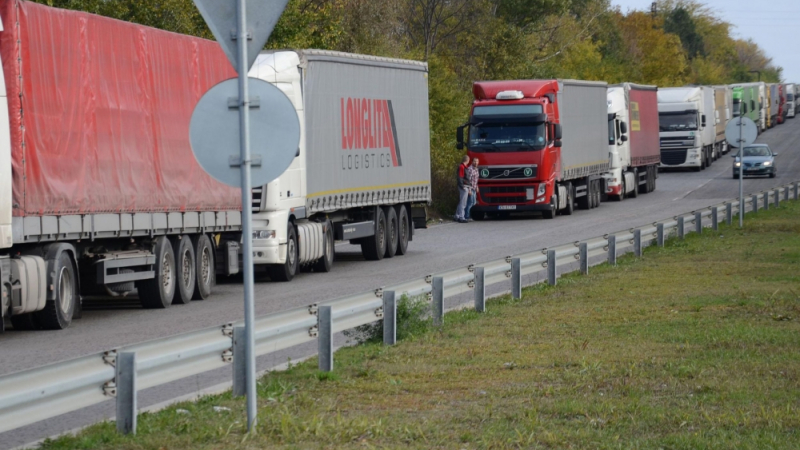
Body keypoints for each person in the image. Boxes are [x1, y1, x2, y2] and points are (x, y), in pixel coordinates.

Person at [455, 155, 470, 223]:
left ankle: (457, 215)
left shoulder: (464, 167)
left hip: (465, 185)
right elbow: (460, 177)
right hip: (463, 186)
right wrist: (462, 186)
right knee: (463, 202)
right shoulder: (462, 167)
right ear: (467, 160)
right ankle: (461, 217)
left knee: (462, 201)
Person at [465, 157, 480, 221]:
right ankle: (467, 216)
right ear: (472, 162)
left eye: (477, 161)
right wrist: (469, 190)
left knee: (474, 202)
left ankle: (470, 215)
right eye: (474, 161)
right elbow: (468, 180)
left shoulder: (476, 169)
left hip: (474, 187)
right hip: (470, 188)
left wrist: (477, 187)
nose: (476, 163)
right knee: (470, 202)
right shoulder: (470, 169)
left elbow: (475, 180)